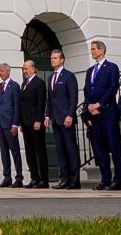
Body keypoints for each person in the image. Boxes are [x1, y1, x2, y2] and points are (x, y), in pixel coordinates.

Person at [83, 40, 121, 190]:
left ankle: (117, 180)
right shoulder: (90, 71)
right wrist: (89, 106)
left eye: (94, 49)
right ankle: (105, 179)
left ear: (102, 50)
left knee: (114, 147)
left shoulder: (112, 67)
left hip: (108, 113)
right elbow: (87, 90)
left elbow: (113, 88)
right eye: (91, 49)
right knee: (100, 149)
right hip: (94, 115)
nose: (92, 51)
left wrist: (99, 104)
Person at [45, 49, 80, 189]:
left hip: (66, 119)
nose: (52, 60)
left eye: (55, 58)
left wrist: (70, 115)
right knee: (60, 151)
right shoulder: (50, 78)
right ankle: (65, 179)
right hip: (55, 119)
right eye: (51, 58)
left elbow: (73, 98)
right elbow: (50, 99)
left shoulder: (69, 76)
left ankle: (75, 181)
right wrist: (47, 115)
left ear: (62, 60)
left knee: (71, 150)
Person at [18, 60, 48, 188]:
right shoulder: (24, 83)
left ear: (33, 69)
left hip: (35, 122)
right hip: (25, 122)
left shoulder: (39, 83)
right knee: (29, 152)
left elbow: (41, 102)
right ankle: (34, 178)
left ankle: (44, 180)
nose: (24, 71)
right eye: (23, 69)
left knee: (39, 151)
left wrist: (38, 120)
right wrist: (21, 122)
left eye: (26, 68)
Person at [0, 62, 23, 188]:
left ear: (8, 72)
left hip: (10, 124)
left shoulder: (14, 86)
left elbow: (17, 106)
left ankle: (19, 177)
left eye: (2, 71)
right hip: (0, 124)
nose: (0, 73)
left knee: (15, 152)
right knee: (4, 153)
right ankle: (7, 177)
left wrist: (15, 124)